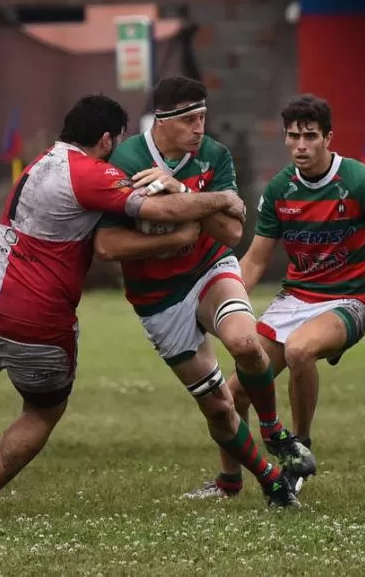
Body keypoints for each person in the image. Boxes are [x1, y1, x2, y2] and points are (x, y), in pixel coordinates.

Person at [0, 95, 247, 519]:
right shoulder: (91, 174)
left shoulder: (40, 161)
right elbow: (165, 207)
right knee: (43, 412)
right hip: (36, 314)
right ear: (104, 140)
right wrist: (221, 199)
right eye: (117, 142)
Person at [184, 94, 365, 499]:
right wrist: (222, 303)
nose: (301, 146)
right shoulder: (280, 188)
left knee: (298, 351)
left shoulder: (362, 182)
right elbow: (256, 259)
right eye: (293, 137)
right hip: (295, 299)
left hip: (349, 302)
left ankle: (299, 449)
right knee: (232, 392)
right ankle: (229, 482)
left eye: (310, 136)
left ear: (328, 137)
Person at [95, 76, 308, 507]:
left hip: (209, 268)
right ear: (163, 120)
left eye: (203, 117)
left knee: (246, 343)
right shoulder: (123, 160)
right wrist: (174, 236)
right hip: (158, 298)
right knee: (218, 410)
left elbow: (231, 231)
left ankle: (274, 432)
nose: (200, 127)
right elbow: (106, 246)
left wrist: (182, 193)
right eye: (190, 119)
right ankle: (268, 482)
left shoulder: (213, 155)